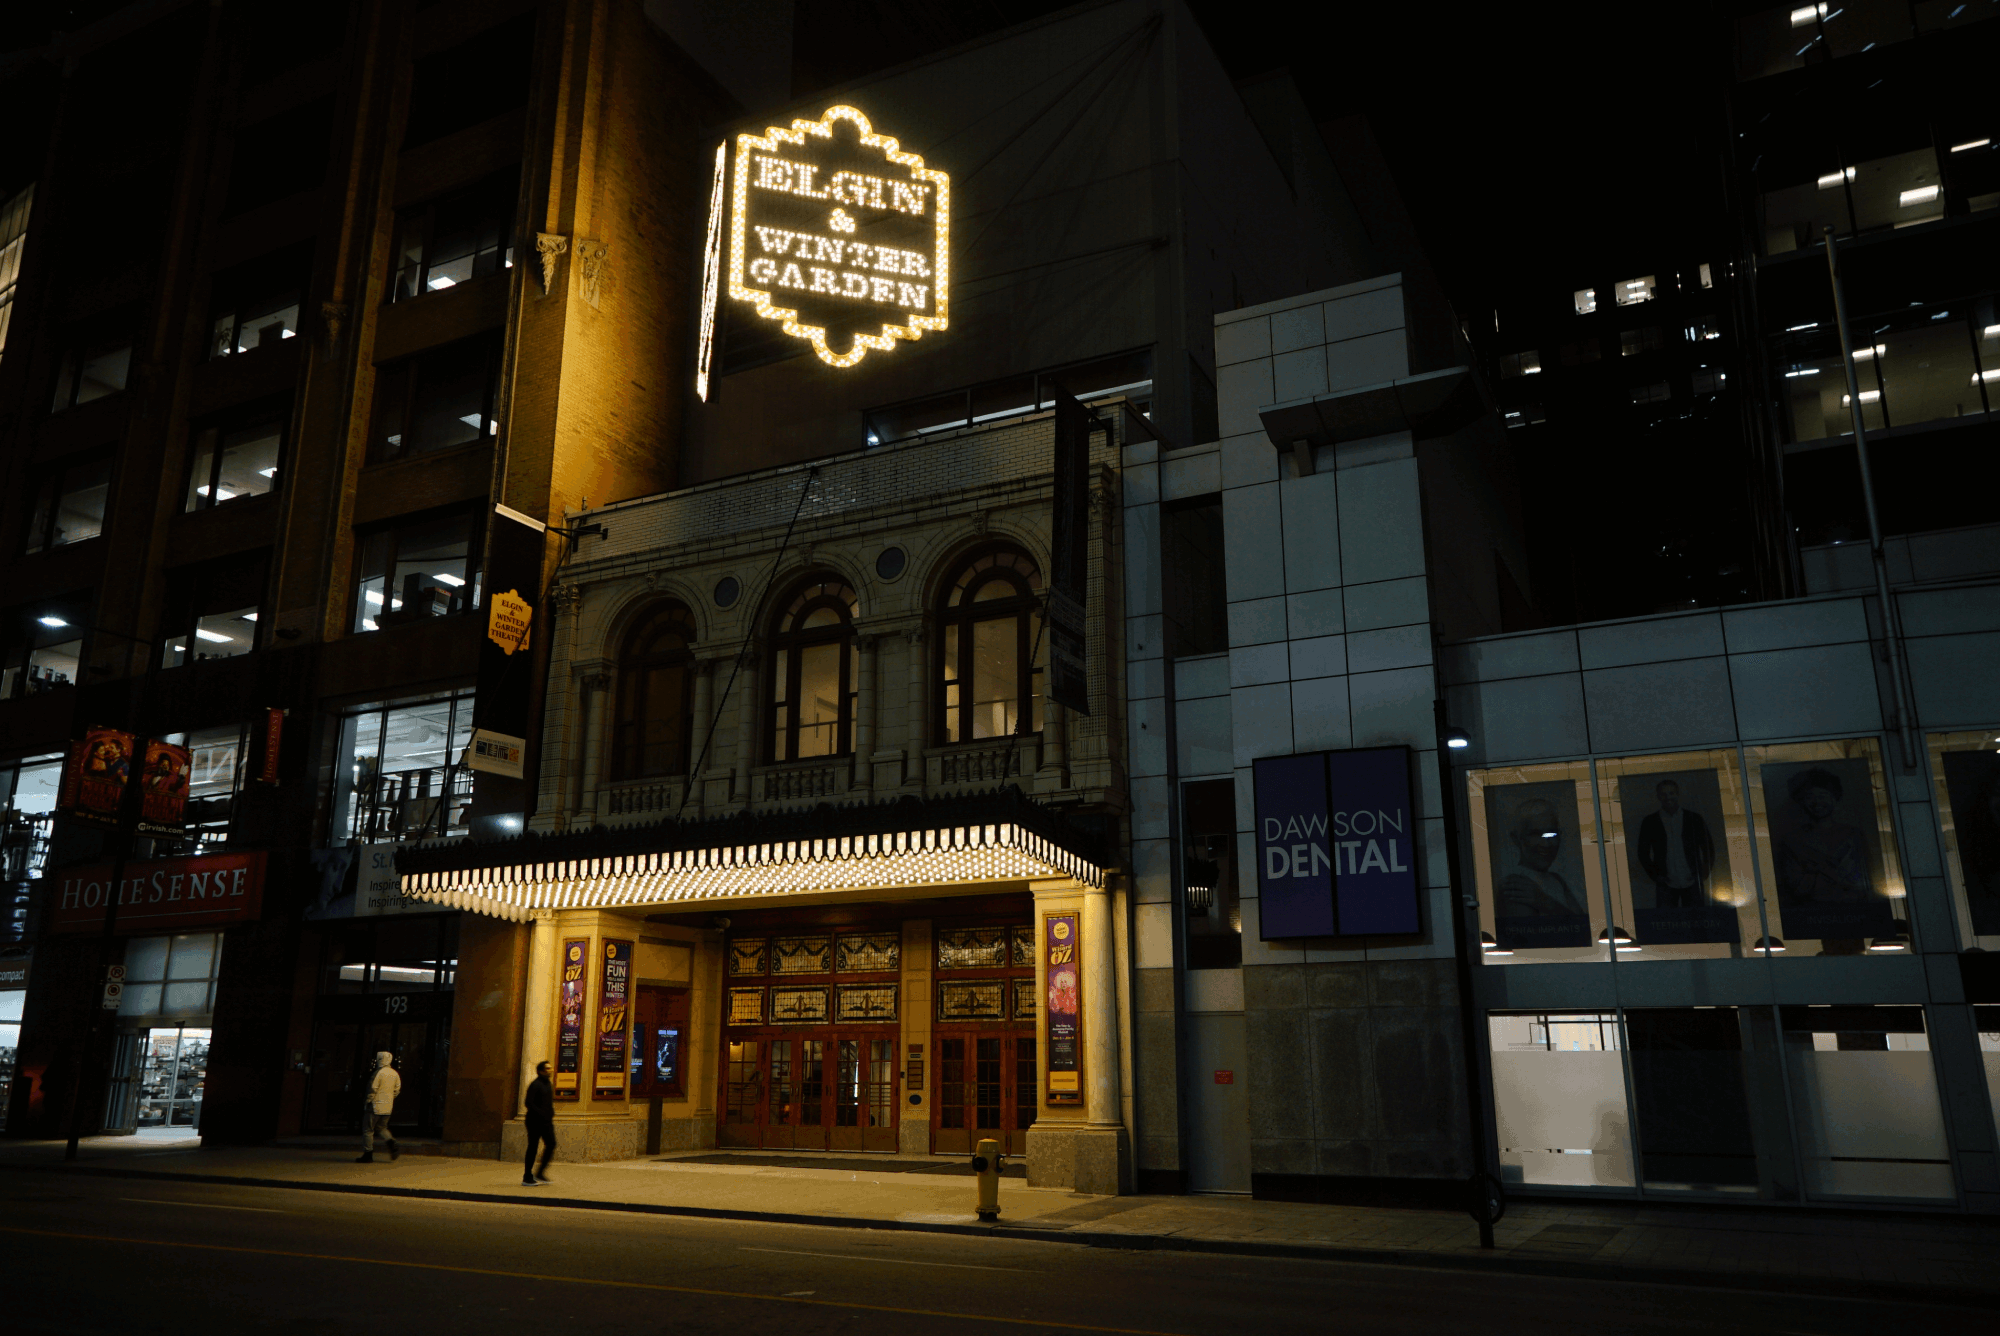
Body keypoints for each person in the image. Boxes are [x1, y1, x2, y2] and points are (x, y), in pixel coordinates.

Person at [1497, 797, 1585, 918]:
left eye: (1552, 834)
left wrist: (1546, 903)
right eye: (1535, 834)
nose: (1546, 844)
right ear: (1517, 839)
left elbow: (1582, 926)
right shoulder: (1515, 885)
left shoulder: (1556, 880)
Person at [1634, 779, 1715, 909]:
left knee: (1696, 921)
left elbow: (1708, 848)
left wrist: (1703, 873)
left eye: (1671, 793)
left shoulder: (1694, 819)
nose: (1668, 797)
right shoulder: (1650, 822)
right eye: (1664, 794)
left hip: (1692, 880)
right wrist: (1656, 876)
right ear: (1658, 796)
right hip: (1666, 882)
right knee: (1667, 923)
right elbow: (1642, 853)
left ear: (1677, 794)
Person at [356, 1051, 400, 1163]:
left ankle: (368, 1154)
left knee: (368, 1130)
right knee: (382, 1128)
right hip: (388, 1106)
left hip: (375, 1105)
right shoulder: (394, 1073)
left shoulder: (378, 1073)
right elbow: (396, 1090)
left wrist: (367, 1101)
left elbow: (372, 1089)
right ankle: (391, 1142)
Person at [523, 1060, 555, 1186]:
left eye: (551, 1068)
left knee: (551, 1144)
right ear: (540, 1071)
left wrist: (550, 1113)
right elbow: (528, 1103)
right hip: (534, 1121)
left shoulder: (548, 1084)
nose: (550, 1070)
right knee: (533, 1147)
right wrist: (541, 1113)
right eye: (547, 1068)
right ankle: (527, 1176)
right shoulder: (535, 1084)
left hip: (546, 1121)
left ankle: (540, 1172)